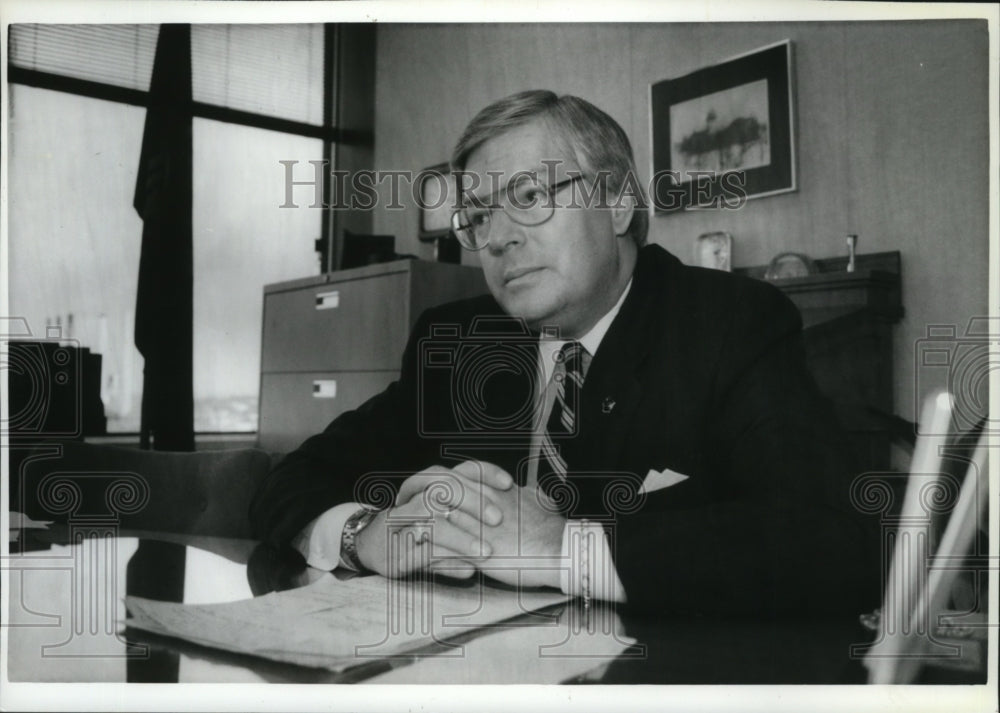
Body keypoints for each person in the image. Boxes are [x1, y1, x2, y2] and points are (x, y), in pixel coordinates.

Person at [250, 90, 878, 616]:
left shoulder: (728, 322)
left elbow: (836, 539)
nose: (496, 238)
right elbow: (293, 478)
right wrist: (366, 535)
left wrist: (561, 548)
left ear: (617, 201)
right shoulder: (460, 340)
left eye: (527, 196)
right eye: (478, 216)